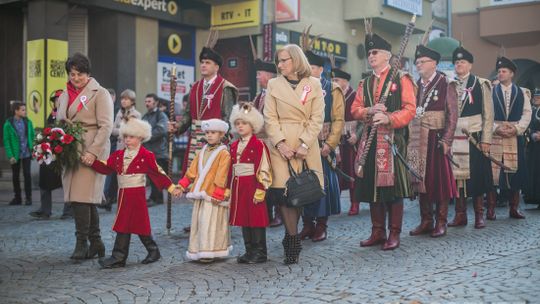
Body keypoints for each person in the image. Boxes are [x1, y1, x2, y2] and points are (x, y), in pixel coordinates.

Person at [351, 31, 416, 251]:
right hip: (369, 140)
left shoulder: (401, 78)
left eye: (375, 51)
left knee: (393, 190)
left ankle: (394, 233)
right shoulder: (365, 82)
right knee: (371, 187)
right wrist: (369, 111)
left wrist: (389, 118)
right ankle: (377, 231)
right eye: (369, 52)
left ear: (387, 55)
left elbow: (410, 109)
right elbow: (355, 109)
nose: (371, 56)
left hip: (392, 140)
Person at [88, 118, 180, 268]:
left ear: (141, 138)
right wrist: (91, 161)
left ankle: (125, 255)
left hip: (136, 195)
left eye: (131, 137)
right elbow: (106, 167)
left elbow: (158, 173)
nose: (127, 140)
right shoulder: (118, 155)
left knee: (136, 224)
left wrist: (171, 187)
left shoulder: (146, 155)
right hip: (123, 195)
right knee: (126, 223)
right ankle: (143, 252)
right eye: (125, 137)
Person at [169, 36, 238, 233]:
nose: (203, 65)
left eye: (207, 62)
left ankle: (215, 221)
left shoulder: (226, 88)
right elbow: (189, 117)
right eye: (202, 62)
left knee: (214, 180)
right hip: (195, 141)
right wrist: (177, 127)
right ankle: (198, 220)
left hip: (216, 142)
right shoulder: (195, 87)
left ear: (217, 66)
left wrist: (221, 143)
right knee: (197, 179)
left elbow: (228, 118)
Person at [264, 44, 324, 264]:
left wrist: (305, 144)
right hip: (281, 144)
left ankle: (292, 235)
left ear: (296, 60)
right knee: (283, 194)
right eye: (278, 61)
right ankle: (292, 238)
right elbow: (269, 117)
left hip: (305, 145)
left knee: (300, 193)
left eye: (284, 61)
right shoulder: (273, 84)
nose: (279, 65)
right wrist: (280, 144)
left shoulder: (314, 84)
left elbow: (318, 117)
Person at [56, 52, 113, 260]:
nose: (76, 78)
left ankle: (82, 243)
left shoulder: (100, 93)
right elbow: (61, 121)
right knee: (84, 199)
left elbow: (106, 126)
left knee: (81, 198)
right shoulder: (65, 94)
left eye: (80, 74)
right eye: (72, 74)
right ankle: (96, 243)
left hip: (90, 150)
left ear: (87, 73)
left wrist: (92, 152)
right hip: (70, 150)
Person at [407, 44, 458, 238]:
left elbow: (453, 115)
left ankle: (441, 221)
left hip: (436, 139)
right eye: (417, 62)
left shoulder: (446, 83)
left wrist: (447, 139)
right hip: (418, 138)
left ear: (434, 63)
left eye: (422, 61)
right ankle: (426, 220)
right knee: (421, 180)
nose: (418, 64)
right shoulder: (414, 85)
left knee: (440, 182)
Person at [299, 50, 344, 242]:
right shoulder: (300, 88)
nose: (308, 71)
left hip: (323, 145)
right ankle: (307, 224)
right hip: (303, 145)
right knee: (302, 185)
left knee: (322, 184)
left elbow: (338, 120)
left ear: (321, 69)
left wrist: (330, 144)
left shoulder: (332, 89)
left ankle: (321, 225)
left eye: (312, 68)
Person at [447, 46, 494, 229]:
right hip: (454, 137)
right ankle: (460, 215)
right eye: (457, 62)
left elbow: (488, 114)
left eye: (463, 62)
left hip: (474, 136)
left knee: (477, 177)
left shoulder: (481, 84)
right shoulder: (449, 85)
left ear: (470, 65)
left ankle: (479, 215)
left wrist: (486, 139)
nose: (459, 64)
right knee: (457, 178)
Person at [177, 119, 232, 263]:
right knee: (200, 223)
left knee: (211, 223)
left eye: (213, 133)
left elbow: (223, 174)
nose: (209, 135)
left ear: (221, 134)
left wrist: (219, 193)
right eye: (207, 132)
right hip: (201, 195)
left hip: (213, 195)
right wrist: (182, 185)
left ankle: (210, 251)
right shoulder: (201, 152)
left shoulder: (224, 153)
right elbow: (192, 171)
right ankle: (199, 250)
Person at [486, 57, 531, 220]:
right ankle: (490, 209)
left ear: (511, 74)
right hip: (495, 137)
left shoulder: (522, 92)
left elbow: (527, 113)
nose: (500, 74)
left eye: (504, 71)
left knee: (515, 173)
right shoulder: (490, 92)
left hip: (514, 136)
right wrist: (495, 128)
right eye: (499, 71)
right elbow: (487, 114)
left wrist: (517, 128)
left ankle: (514, 208)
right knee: (492, 174)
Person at [227, 103, 272, 263]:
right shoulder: (233, 146)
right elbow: (230, 169)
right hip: (239, 187)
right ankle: (249, 250)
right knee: (244, 219)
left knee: (256, 219)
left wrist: (261, 188)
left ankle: (260, 252)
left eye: (244, 123)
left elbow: (265, 167)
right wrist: (227, 188)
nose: (240, 126)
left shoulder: (258, 145)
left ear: (253, 125)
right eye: (237, 123)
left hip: (253, 185)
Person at [30, 90, 71, 219]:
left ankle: (68, 212)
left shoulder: (68, 115)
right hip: (50, 154)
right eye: (55, 100)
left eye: (59, 100)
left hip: (63, 154)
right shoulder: (51, 115)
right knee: (44, 180)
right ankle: (45, 210)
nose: (56, 102)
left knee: (67, 183)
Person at [100, 89, 142, 212]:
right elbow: (112, 130)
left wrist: (122, 131)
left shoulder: (136, 114)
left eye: (126, 99)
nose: (123, 101)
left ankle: (126, 204)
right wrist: (124, 131)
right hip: (119, 148)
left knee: (127, 177)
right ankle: (110, 200)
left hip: (130, 149)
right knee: (114, 176)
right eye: (122, 99)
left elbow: (134, 132)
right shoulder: (119, 113)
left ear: (132, 101)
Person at [252, 58, 282, 227]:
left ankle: (279, 213)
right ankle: (267, 212)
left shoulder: (276, 94)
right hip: (261, 144)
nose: (257, 77)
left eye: (259, 74)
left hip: (273, 143)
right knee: (264, 178)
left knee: (276, 179)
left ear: (269, 75)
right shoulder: (259, 95)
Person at [332, 67, 362, 216]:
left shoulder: (355, 95)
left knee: (353, 171)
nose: (334, 82)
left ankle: (355, 203)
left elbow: (363, 120)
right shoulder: (333, 96)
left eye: (336, 80)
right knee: (337, 171)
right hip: (337, 139)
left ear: (345, 81)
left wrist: (356, 135)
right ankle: (336, 204)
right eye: (333, 80)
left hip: (352, 140)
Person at [3, 101, 34, 206]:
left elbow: (32, 136)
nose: (25, 112)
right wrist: (10, 155)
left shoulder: (28, 122)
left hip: (27, 153)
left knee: (27, 175)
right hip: (15, 155)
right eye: (23, 110)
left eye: (25, 110)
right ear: (16, 111)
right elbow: (6, 141)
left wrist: (33, 149)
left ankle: (28, 198)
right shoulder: (8, 124)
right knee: (15, 176)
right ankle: (18, 198)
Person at [142, 93, 169, 207]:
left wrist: (146, 136)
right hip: (148, 151)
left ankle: (157, 198)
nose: (147, 103)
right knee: (151, 175)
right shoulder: (145, 116)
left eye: (149, 101)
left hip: (159, 152)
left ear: (156, 102)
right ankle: (154, 197)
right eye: (146, 101)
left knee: (156, 176)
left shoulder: (161, 115)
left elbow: (161, 130)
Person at [524, 88, 540, 208]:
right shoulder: (532, 111)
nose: (535, 99)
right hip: (535, 148)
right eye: (535, 97)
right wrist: (532, 134)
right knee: (535, 172)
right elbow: (527, 127)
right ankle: (535, 198)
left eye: (538, 97)